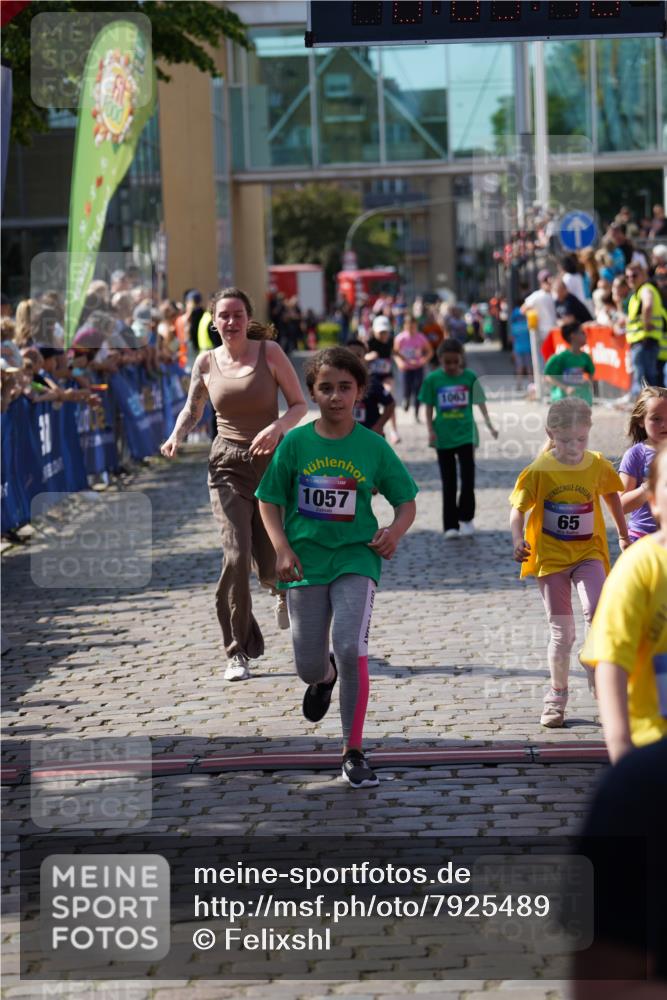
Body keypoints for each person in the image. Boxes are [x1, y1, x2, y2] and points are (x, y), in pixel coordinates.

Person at [256, 347, 417, 788]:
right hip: (305, 563)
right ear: (312, 393)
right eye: (325, 388)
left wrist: (394, 532)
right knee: (308, 666)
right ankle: (323, 677)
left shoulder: (373, 446)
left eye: (345, 388)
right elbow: (269, 500)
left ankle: (353, 749)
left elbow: (406, 502)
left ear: (360, 392)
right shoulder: (296, 443)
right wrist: (282, 549)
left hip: (356, 558)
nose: (335, 397)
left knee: (350, 647)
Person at [160, 287, 308, 681]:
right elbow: (192, 409)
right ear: (213, 321)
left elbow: (299, 405)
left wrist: (277, 428)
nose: (230, 322)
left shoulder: (270, 353)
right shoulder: (206, 362)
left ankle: (278, 589)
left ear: (248, 317)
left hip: (270, 466)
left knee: (270, 557)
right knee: (236, 555)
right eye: (223, 316)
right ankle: (236, 650)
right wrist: (176, 435)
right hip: (226, 465)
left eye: (237, 314)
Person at [509, 397, 628, 728]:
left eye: (581, 439)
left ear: (589, 431)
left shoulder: (597, 464)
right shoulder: (539, 470)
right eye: (565, 441)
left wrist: (622, 531)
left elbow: (612, 496)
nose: (574, 447)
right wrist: (518, 540)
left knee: (598, 611)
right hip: (551, 561)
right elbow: (518, 509)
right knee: (562, 633)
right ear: (551, 433)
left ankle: (597, 667)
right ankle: (557, 696)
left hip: (589, 554)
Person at [581, 442, 667, 761]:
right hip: (654, 748)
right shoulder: (638, 568)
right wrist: (621, 750)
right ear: (654, 501)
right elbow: (611, 662)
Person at [420, 338, 498, 539]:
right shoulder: (433, 380)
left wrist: (490, 426)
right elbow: (428, 407)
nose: (452, 366)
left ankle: (466, 517)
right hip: (443, 436)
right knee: (449, 481)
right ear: (440, 360)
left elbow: (480, 404)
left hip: (466, 435)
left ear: (461, 359)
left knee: (468, 478)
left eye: (456, 362)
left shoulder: (470, 377)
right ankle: (450, 525)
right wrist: (430, 430)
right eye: (448, 363)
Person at [619, 387, 667, 543]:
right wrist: (648, 488)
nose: (664, 425)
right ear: (641, 421)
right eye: (656, 419)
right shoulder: (635, 455)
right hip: (642, 537)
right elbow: (620, 506)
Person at [625, 262, 663, 397]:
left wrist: (646, 324)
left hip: (644, 341)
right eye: (627, 276)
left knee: (643, 380)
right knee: (649, 379)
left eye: (634, 275)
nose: (630, 279)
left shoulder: (646, 289)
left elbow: (648, 306)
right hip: (643, 342)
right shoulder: (636, 294)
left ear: (643, 275)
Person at [345, 339, 396, 436]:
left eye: (358, 355)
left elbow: (390, 404)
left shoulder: (372, 382)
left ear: (365, 358)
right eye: (350, 356)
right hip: (347, 439)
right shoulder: (337, 384)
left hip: (370, 437)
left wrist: (379, 426)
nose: (354, 359)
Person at [544, 322, 595, 406]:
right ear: (573, 336)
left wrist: (587, 384)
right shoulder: (560, 358)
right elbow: (548, 376)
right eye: (582, 333)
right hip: (562, 400)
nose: (585, 335)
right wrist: (565, 388)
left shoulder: (585, 357)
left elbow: (590, 374)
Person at [393, 316, 433, 421]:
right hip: (406, 368)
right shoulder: (400, 338)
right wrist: (399, 363)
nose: (411, 328)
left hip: (418, 367)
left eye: (413, 326)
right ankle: (406, 399)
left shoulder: (421, 337)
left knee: (418, 390)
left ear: (416, 326)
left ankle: (416, 412)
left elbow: (429, 351)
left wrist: (424, 360)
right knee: (407, 388)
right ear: (405, 326)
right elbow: (395, 353)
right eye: (409, 326)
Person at [521, 269, 557, 349]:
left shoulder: (555, 294)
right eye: (545, 280)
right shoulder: (536, 295)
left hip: (555, 331)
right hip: (543, 332)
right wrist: (532, 317)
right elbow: (523, 309)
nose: (548, 282)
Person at [509, 297, 533, 392]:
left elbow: (511, 339)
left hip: (517, 348)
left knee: (519, 367)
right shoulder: (527, 324)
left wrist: (512, 351)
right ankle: (531, 384)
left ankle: (519, 385)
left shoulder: (514, 326)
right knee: (529, 367)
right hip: (528, 347)